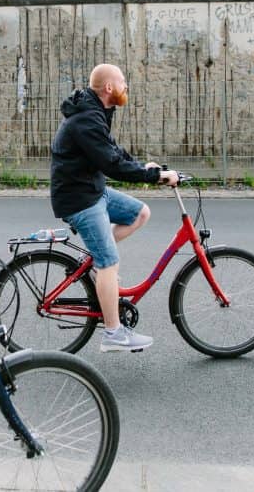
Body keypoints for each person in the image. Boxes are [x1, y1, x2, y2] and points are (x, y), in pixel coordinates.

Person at [50, 63, 179, 352]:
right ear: (109, 88)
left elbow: (112, 151)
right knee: (109, 263)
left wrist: (143, 166)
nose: (126, 87)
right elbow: (111, 165)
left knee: (139, 213)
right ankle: (113, 334)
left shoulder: (96, 112)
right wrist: (154, 176)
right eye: (123, 81)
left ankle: (98, 253)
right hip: (79, 199)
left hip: (91, 190)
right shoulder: (86, 119)